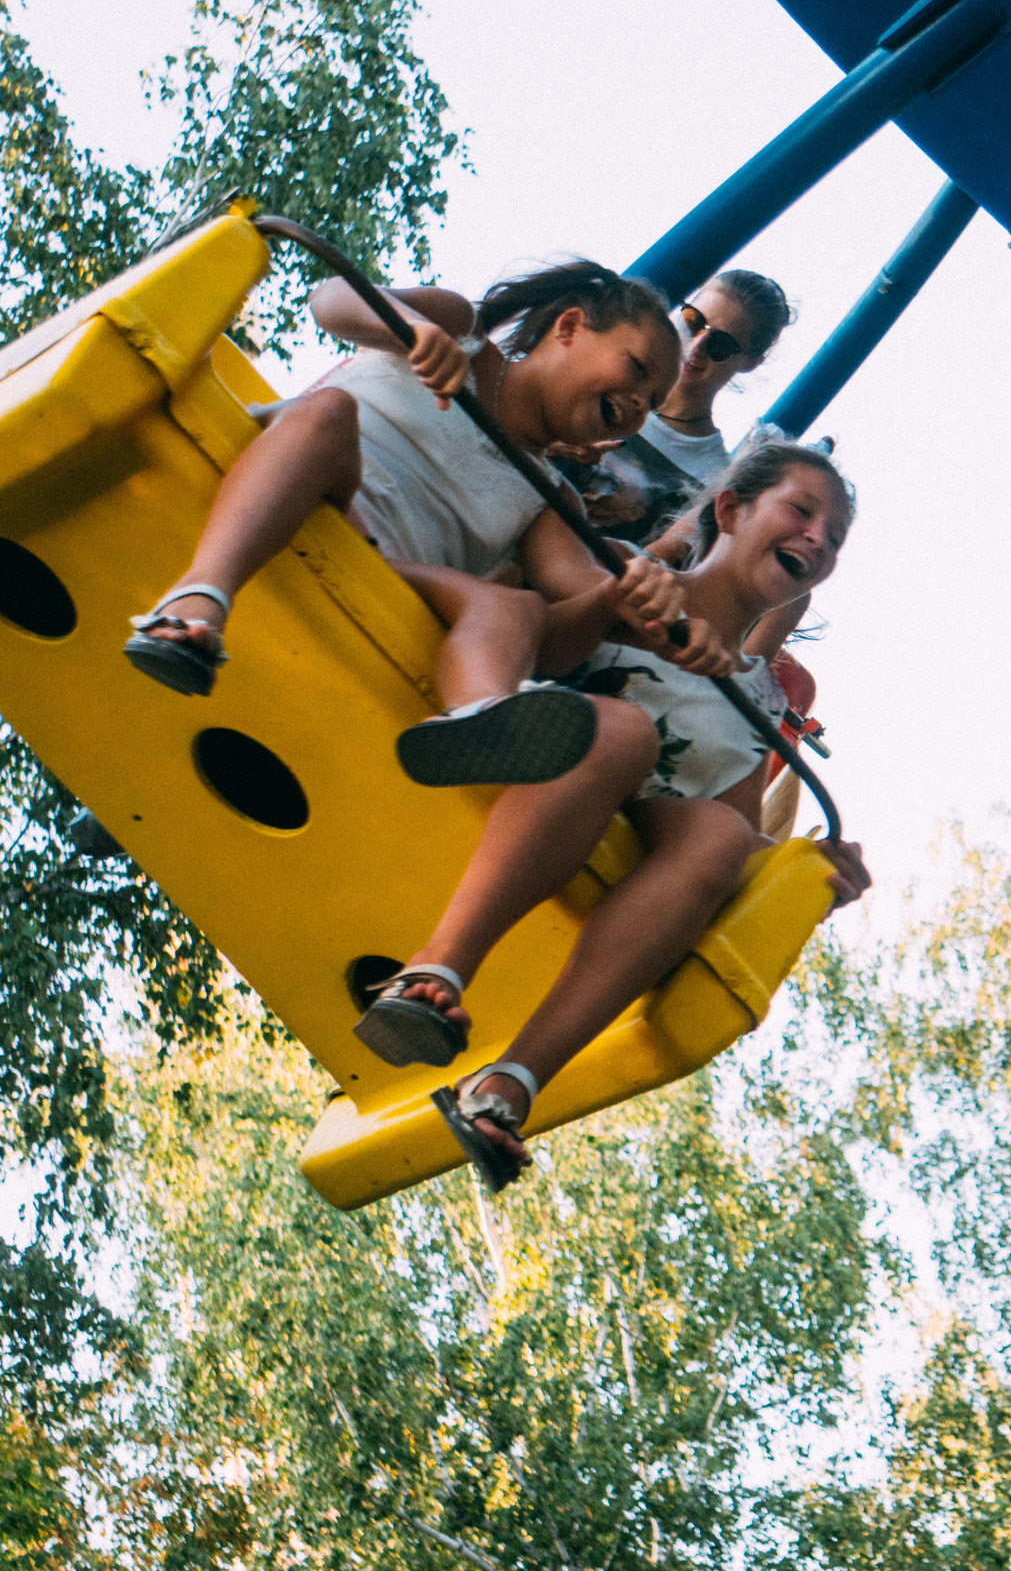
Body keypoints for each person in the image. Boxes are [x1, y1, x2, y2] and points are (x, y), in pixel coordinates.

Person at [351, 443, 870, 1191]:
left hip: (629, 834)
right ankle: (438, 967)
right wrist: (615, 602)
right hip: (538, 772)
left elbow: (730, 832)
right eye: (801, 510)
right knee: (624, 734)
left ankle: (511, 1081)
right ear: (730, 510)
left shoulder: (759, 701)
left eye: (835, 535)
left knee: (724, 835)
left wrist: (812, 877)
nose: (819, 537)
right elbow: (542, 629)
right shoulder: (631, 571)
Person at [122, 260, 687, 788]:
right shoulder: (459, 337)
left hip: (383, 572)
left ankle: (481, 718)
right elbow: (331, 297)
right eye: (637, 368)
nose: (638, 402)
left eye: (652, 401)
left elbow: (580, 590)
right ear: (568, 327)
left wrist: (646, 596)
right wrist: (411, 328)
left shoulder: (550, 496)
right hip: (307, 479)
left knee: (516, 606)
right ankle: (197, 601)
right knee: (328, 413)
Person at [576, 269, 796, 542]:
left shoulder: (715, 477)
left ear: (751, 363)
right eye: (694, 321)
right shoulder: (603, 381)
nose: (697, 345)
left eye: (721, 345)